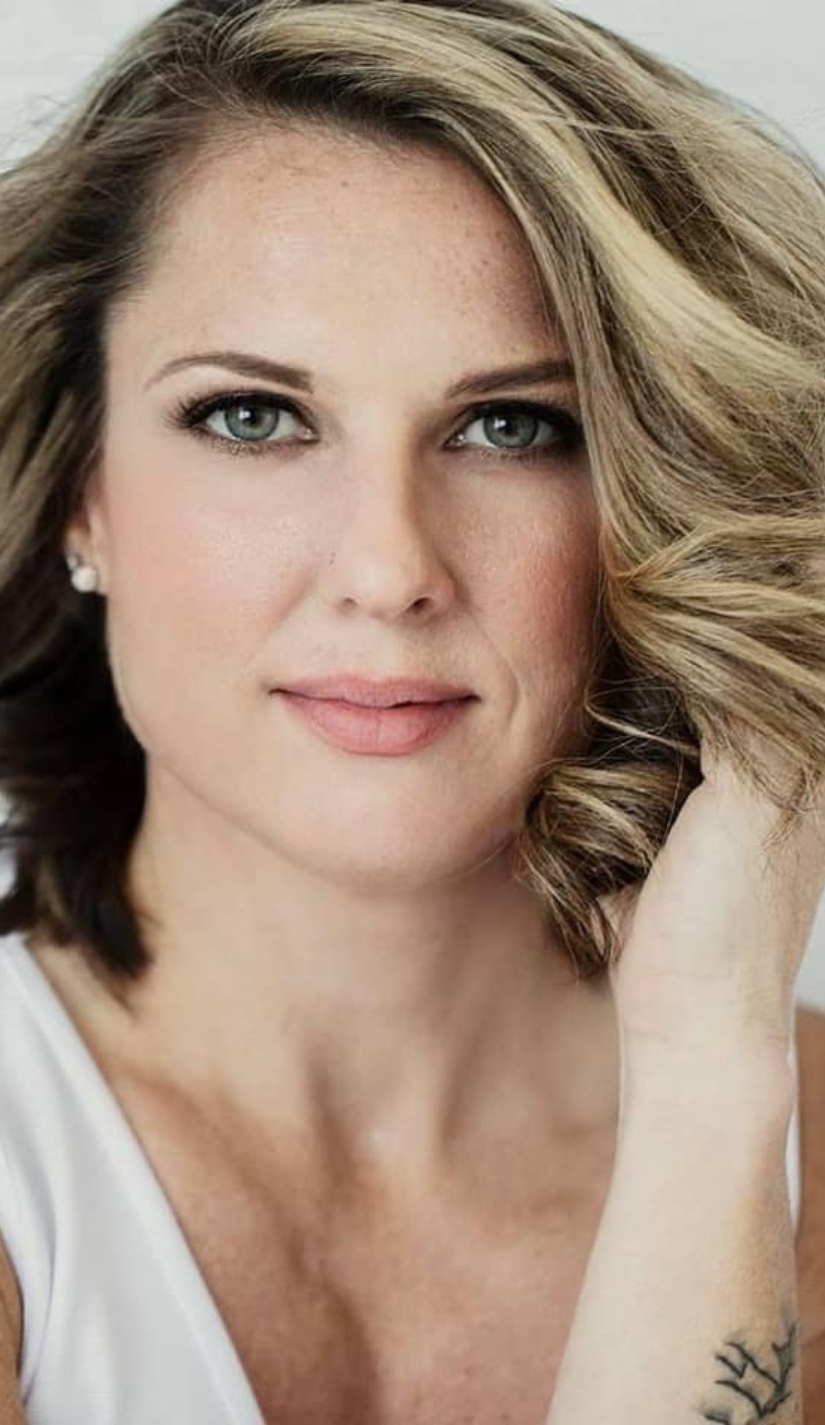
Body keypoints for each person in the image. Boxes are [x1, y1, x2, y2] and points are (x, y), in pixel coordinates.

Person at [0, 0, 824, 1419]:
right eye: (252, 417)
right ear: (84, 490)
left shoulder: (776, 1116)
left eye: (515, 426)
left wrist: (707, 1088)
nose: (389, 571)